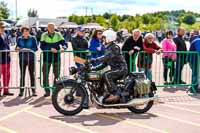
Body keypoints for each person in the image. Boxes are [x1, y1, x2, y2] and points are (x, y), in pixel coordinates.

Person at [90, 29, 128, 103]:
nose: (103, 39)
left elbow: (106, 57)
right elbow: (105, 63)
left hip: (121, 69)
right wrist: (93, 68)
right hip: (116, 69)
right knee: (101, 76)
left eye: (104, 38)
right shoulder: (108, 48)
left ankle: (115, 94)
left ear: (109, 38)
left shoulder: (114, 47)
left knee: (106, 75)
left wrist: (94, 60)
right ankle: (103, 94)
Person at [40, 22, 67, 97]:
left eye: (53, 27)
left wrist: (63, 48)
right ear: (47, 28)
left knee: (57, 75)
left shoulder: (58, 34)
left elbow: (64, 43)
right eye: (50, 27)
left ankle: (55, 90)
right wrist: (50, 49)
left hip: (56, 58)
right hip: (46, 58)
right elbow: (41, 46)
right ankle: (47, 91)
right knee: (45, 75)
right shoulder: (44, 35)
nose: (52, 29)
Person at [16, 26, 38, 97]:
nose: (26, 32)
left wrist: (28, 49)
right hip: (22, 59)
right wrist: (18, 48)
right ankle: (21, 90)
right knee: (22, 75)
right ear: (22, 32)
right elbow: (17, 47)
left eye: (27, 31)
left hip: (31, 59)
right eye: (25, 31)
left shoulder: (33, 38)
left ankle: (33, 90)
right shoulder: (19, 38)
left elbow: (36, 48)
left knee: (32, 74)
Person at [0, 22, 14, 96]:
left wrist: (9, 51)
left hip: (7, 59)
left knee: (7, 76)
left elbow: (7, 44)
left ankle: (6, 90)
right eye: (1, 27)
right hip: (0, 60)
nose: (3, 28)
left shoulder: (5, 34)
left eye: (3, 27)